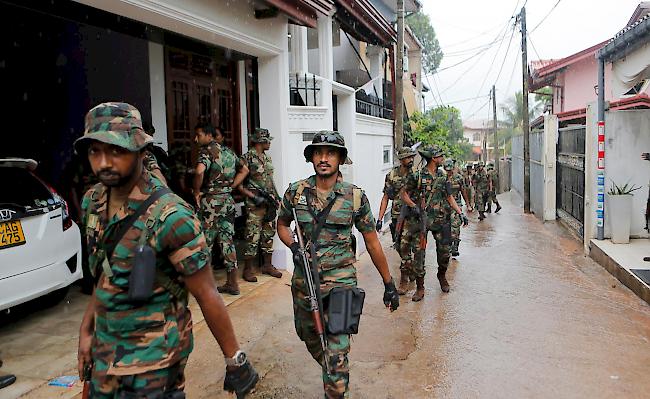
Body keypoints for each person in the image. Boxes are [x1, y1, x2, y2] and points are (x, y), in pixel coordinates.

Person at [75, 102, 257, 398]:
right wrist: (87, 331)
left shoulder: (172, 216)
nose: (104, 162)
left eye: (116, 150)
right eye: (95, 151)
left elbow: (206, 292)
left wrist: (234, 359)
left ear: (139, 151)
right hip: (104, 354)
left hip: (154, 364)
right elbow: (105, 275)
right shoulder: (92, 202)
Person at [277, 131, 399, 398]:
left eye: (330, 153)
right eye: (319, 153)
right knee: (309, 335)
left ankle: (336, 380)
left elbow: (372, 242)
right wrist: (294, 247)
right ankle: (334, 371)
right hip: (305, 283)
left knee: (336, 350)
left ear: (340, 159)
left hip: (342, 285)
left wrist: (389, 283)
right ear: (311, 158)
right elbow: (282, 225)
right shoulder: (296, 192)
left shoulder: (355, 198)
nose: (324, 158)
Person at [401, 145, 467, 297]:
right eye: (440, 156)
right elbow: (404, 194)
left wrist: (460, 212)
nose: (442, 159)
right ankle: (420, 287)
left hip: (440, 219)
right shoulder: (417, 176)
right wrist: (414, 206)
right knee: (419, 254)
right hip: (421, 221)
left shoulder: (443, 177)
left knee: (445, 253)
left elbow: (449, 197)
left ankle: (441, 275)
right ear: (433, 158)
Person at [192, 123, 248, 295]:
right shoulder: (228, 152)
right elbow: (244, 169)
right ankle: (232, 283)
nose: (196, 139)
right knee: (227, 241)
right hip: (227, 201)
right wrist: (231, 187)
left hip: (211, 202)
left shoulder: (207, 151)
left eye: (198, 135)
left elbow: (199, 171)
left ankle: (204, 286)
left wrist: (196, 192)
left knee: (206, 242)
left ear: (209, 136)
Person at [237, 128, 283, 281]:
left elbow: (270, 180)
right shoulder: (246, 158)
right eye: (267, 140)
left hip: (269, 202)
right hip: (254, 204)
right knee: (252, 235)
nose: (269, 143)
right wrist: (253, 197)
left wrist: (277, 197)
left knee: (269, 233)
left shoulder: (267, 158)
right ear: (260, 141)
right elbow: (239, 185)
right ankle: (247, 269)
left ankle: (267, 265)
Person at [377, 147, 418, 295]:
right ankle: (411, 268)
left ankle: (404, 280)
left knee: (406, 248)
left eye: (412, 157)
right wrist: (380, 218)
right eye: (408, 157)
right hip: (397, 216)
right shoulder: (392, 175)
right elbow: (386, 197)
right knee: (400, 247)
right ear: (401, 159)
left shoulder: (417, 175)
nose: (411, 160)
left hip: (414, 217)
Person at [444, 159, 473, 257]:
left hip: (457, 205)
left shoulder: (459, 178)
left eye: (450, 169)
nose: (449, 172)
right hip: (444, 206)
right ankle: (447, 246)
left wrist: (468, 205)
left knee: (455, 225)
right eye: (447, 170)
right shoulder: (441, 178)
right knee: (445, 227)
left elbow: (463, 191)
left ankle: (455, 246)